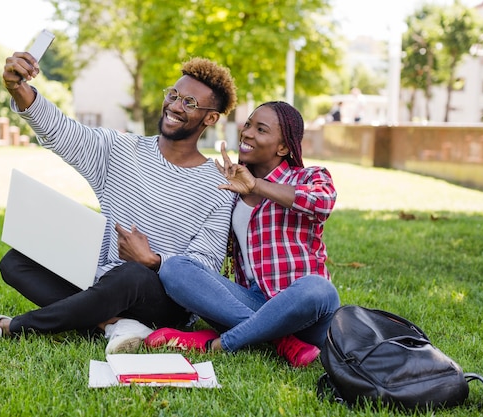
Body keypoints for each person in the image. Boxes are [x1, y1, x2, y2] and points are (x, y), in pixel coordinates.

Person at [0, 54, 238, 354]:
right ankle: (112, 325)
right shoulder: (120, 150)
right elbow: (63, 131)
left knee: (132, 274)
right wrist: (20, 90)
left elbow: (207, 266)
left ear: (210, 118)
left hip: (162, 302)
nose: (174, 105)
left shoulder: (219, 185)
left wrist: (153, 260)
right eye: (173, 94)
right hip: (102, 280)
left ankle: (5, 327)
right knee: (16, 263)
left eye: (189, 102)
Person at [145, 101, 340, 367]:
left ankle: (217, 343)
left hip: (303, 309)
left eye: (261, 129)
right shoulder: (233, 191)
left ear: (283, 147)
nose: (247, 133)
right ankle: (281, 342)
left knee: (319, 288)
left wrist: (258, 186)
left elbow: (322, 202)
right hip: (254, 301)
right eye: (247, 124)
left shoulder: (307, 176)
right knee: (174, 268)